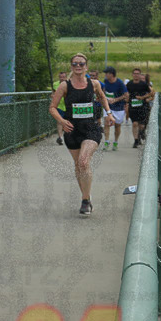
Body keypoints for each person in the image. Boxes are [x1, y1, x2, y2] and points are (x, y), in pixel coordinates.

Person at [49, 53, 116, 216]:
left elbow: (102, 98)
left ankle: (85, 201)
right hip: (72, 130)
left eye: (81, 64)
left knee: (84, 161)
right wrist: (62, 120)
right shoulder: (64, 86)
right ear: (71, 66)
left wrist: (109, 113)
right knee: (78, 165)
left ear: (86, 66)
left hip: (91, 128)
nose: (78, 66)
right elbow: (52, 107)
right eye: (75, 64)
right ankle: (86, 196)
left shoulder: (94, 84)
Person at [100, 66, 128, 150]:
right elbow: (105, 90)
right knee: (106, 122)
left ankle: (115, 142)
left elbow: (126, 95)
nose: (105, 75)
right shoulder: (106, 81)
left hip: (118, 107)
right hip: (108, 107)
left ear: (111, 74)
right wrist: (103, 97)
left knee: (117, 126)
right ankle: (107, 142)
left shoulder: (119, 83)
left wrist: (115, 99)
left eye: (106, 73)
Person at [126, 69, 155, 147]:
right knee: (135, 123)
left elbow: (151, 93)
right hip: (133, 106)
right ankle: (136, 141)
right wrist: (126, 99)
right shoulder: (129, 84)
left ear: (139, 75)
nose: (136, 75)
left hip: (142, 106)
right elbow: (126, 93)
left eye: (138, 74)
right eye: (134, 73)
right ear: (132, 75)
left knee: (142, 125)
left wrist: (143, 97)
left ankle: (140, 134)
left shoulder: (144, 84)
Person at [53, 71, 68, 145]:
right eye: (60, 77)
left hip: (68, 106)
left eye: (63, 77)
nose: (62, 78)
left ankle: (68, 136)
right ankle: (60, 137)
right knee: (59, 121)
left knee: (68, 122)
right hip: (59, 106)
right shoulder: (55, 84)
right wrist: (52, 96)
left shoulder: (69, 84)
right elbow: (53, 93)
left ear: (66, 77)